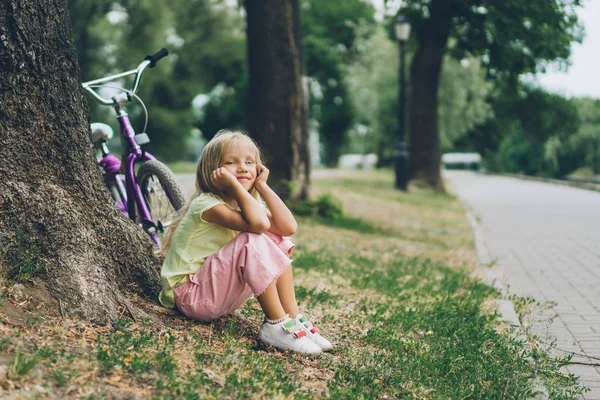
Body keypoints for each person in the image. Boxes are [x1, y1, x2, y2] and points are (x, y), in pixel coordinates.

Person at [158, 130, 332, 356]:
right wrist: (237, 186)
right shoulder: (207, 205)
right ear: (213, 172)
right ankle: (275, 324)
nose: (242, 168)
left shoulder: (245, 206)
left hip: (215, 293)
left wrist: (262, 187)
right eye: (231, 162)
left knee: (276, 238)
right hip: (191, 296)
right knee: (253, 238)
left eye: (250, 162)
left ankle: (292, 320)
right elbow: (258, 226)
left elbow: (288, 227)